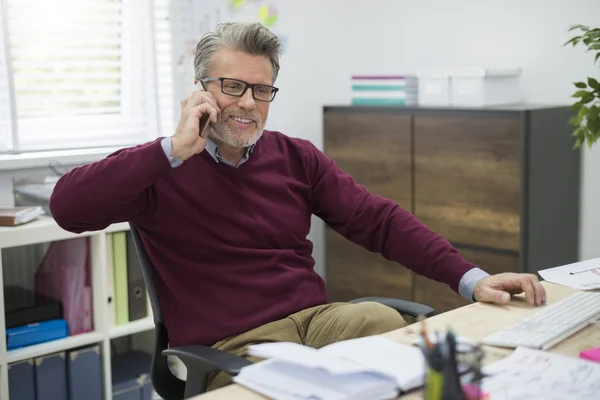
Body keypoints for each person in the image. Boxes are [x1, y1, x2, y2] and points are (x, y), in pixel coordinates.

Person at [49, 22, 546, 390]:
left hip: (317, 321)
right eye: (232, 86)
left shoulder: (295, 156)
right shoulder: (158, 166)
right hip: (236, 346)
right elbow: (67, 208)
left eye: (261, 89)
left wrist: (472, 278)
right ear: (200, 88)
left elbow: (379, 221)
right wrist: (171, 151)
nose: (247, 103)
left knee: (391, 333)